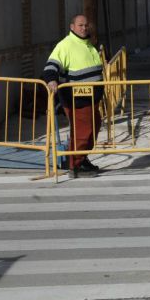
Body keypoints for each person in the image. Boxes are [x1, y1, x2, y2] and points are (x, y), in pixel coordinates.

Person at [43, 14, 104, 178]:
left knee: (94, 128)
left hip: (92, 99)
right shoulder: (65, 45)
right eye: (80, 25)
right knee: (82, 132)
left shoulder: (88, 44)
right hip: (76, 99)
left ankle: (82, 158)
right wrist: (51, 80)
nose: (84, 28)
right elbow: (51, 65)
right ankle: (75, 166)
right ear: (72, 27)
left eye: (86, 25)